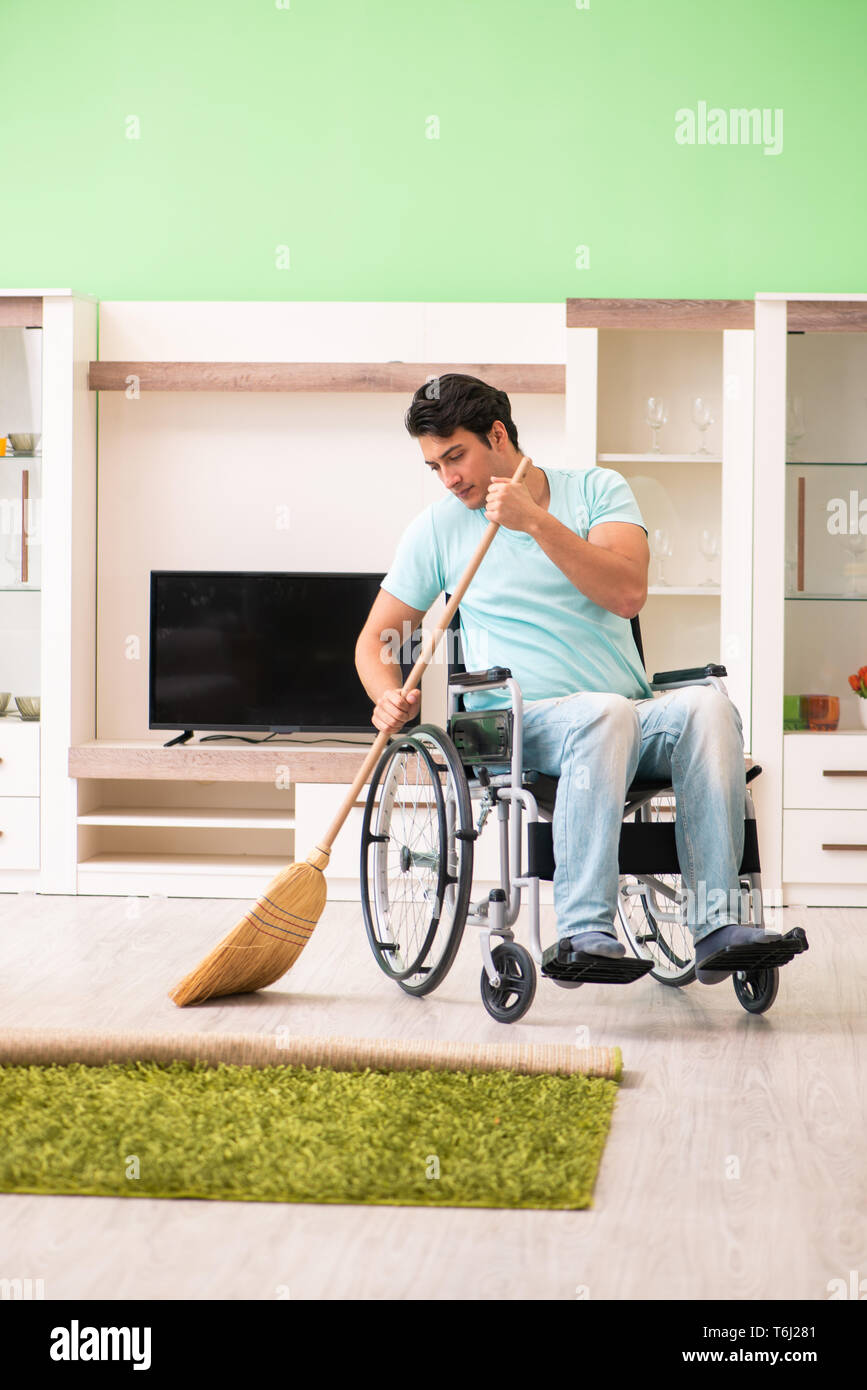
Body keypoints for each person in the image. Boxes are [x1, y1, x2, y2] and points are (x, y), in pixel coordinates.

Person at [354, 374, 781, 983]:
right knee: (602, 713)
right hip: (518, 725)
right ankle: (585, 929)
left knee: (707, 709)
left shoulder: (598, 491)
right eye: (435, 466)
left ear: (497, 435)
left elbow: (628, 592)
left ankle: (716, 926)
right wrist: (385, 695)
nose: (449, 478)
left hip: (628, 717)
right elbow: (374, 641)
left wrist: (533, 521)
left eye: (456, 456)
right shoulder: (438, 528)